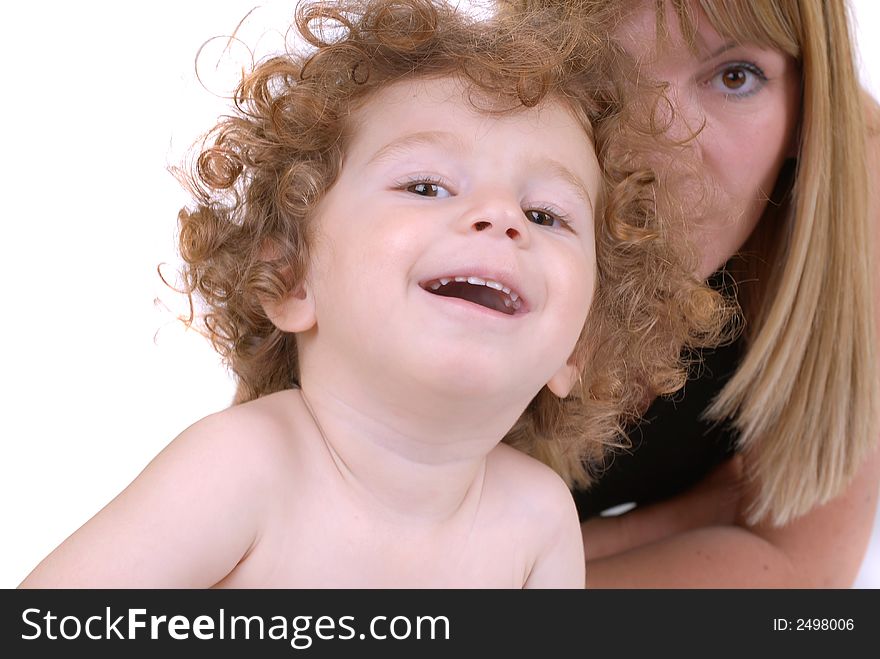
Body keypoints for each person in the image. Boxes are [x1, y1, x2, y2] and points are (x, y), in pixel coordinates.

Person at [18, 0, 727, 588]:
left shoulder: (536, 522)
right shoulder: (245, 469)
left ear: (580, 344)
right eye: (426, 185)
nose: (500, 217)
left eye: (546, 215)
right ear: (293, 274)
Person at [509, 0, 880, 587]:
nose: (663, 155)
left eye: (735, 77)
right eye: (598, 75)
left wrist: (525, 561)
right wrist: (687, 519)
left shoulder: (857, 188)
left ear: (808, 106)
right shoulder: (443, 194)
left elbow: (806, 588)